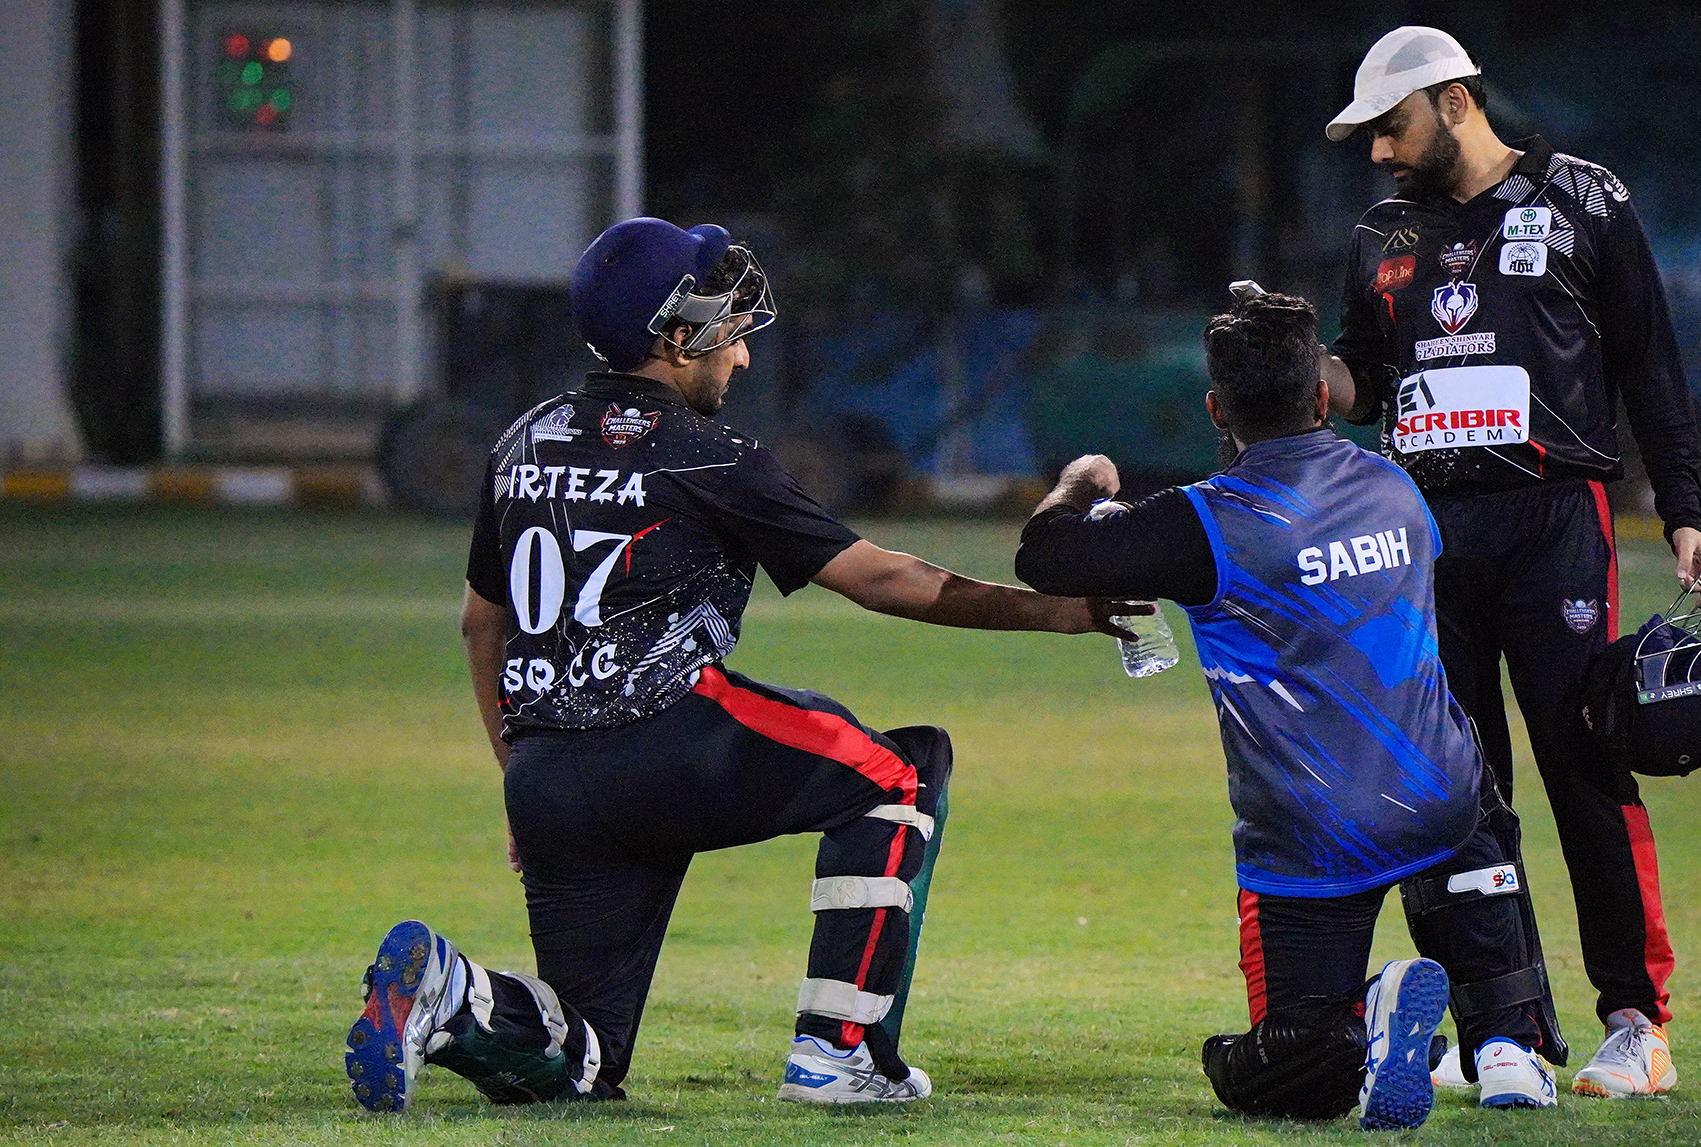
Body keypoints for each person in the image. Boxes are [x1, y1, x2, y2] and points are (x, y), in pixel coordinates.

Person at [344, 218, 1141, 1113]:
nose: (744, 354)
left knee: (583, 1057)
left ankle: (451, 989)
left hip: (545, 771)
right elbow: (885, 580)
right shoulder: (710, 453)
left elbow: (479, 623)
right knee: (900, 775)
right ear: (676, 334)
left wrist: (516, 770)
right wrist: (1060, 612)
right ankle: (840, 1053)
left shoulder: (522, 440)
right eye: (728, 329)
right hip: (668, 741)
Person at [1014, 291, 1572, 1125]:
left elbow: (1044, 556)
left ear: (1217, 410)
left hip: (1314, 834)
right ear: (1320, 394)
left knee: (1285, 1073)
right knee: (1462, 792)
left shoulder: (1203, 521)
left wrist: (1081, 482)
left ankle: (1361, 1021)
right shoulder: (1396, 487)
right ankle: (1505, 1046)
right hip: (1442, 800)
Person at [1318, 25, 1701, 1098]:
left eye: (1391, 127)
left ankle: (1635, 1023)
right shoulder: (1380, 233)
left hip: (1555, 524)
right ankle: (1500, 1025)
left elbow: (1649, 363)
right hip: (1425, 533)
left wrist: (1682, 510)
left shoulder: (1586, 199)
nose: (1378, 152)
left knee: (1585, 759)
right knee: (1454, 785)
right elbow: (1362, 376)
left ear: (1453, 101)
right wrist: (1300, 371)